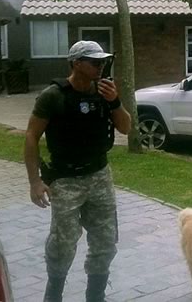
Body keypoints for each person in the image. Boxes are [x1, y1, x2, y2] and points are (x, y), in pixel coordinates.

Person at [23, 41, 131, 302]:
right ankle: (54, 295)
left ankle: (96, 296)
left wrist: (114, 101)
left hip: (99, 176)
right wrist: (35, 181)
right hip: (65, 180)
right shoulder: (53, 96)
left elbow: (126, 128)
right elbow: (31, 136)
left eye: (102, 61)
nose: (100, 66)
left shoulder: (104, 92)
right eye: (94, 62)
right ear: (76, 63)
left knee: (105, 243)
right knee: (63, 245)